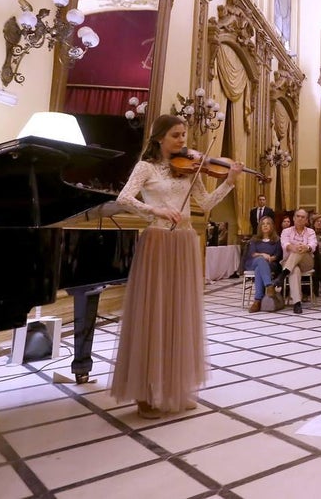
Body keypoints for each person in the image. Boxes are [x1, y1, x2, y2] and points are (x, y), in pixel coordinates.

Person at [111, 115, 244, 419]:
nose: (183, 141)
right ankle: (144, 392)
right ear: (159, 138)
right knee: (153, 315)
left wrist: (230, 180)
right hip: (157, 240)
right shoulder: (145, 167)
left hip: (184, 242)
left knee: (179, 315)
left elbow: (207, 204)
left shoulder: (188, 170)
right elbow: (124, 197)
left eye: (184, 135)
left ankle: (175, 387)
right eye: (176, 135)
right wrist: (154, 209)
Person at [280, 209, 316, 314]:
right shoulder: (286, 231)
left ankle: (283, 274)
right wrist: (293, 247)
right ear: (294, 218)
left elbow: (313, 245)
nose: (300, 219)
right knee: (294, 270)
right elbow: (284, 244)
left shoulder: (311, 232)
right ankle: (297, 303)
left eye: (303, 217)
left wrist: (306, 247)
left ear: (306, 220)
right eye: (298, 216)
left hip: (306, 261)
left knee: (301, 249)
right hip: (289, 261)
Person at [246, 217, 283, 313]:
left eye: (268, 223)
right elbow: (252, 253)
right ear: (260, 227)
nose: (265, 225)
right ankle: (269, 286)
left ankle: (257, 300)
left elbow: (278, 255)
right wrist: (263, 255)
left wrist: (271, 258)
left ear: (271, 226)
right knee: (260, 260)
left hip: (271, 264)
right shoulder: (255, 239)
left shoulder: (277, 240)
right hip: (254, 261)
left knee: (259, 270)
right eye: (263, 224)